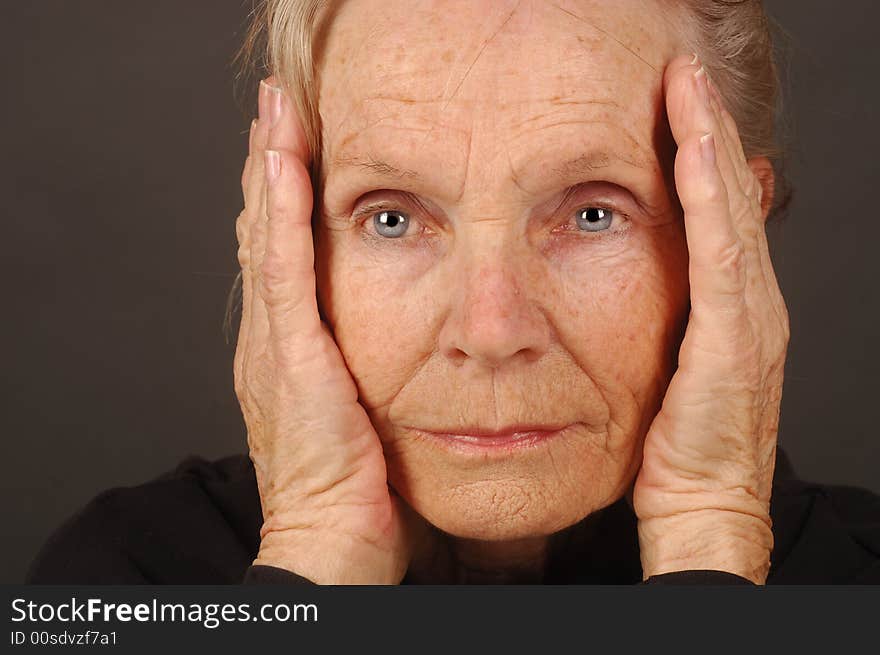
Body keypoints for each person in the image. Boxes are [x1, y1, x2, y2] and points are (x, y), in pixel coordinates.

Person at [28, 0, 880, 585]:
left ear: (732, 230)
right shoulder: (124, 574)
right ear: (280, 237)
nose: (490, 326)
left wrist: (710, 538)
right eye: (391, 217)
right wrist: (317, 552)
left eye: (592, 212)